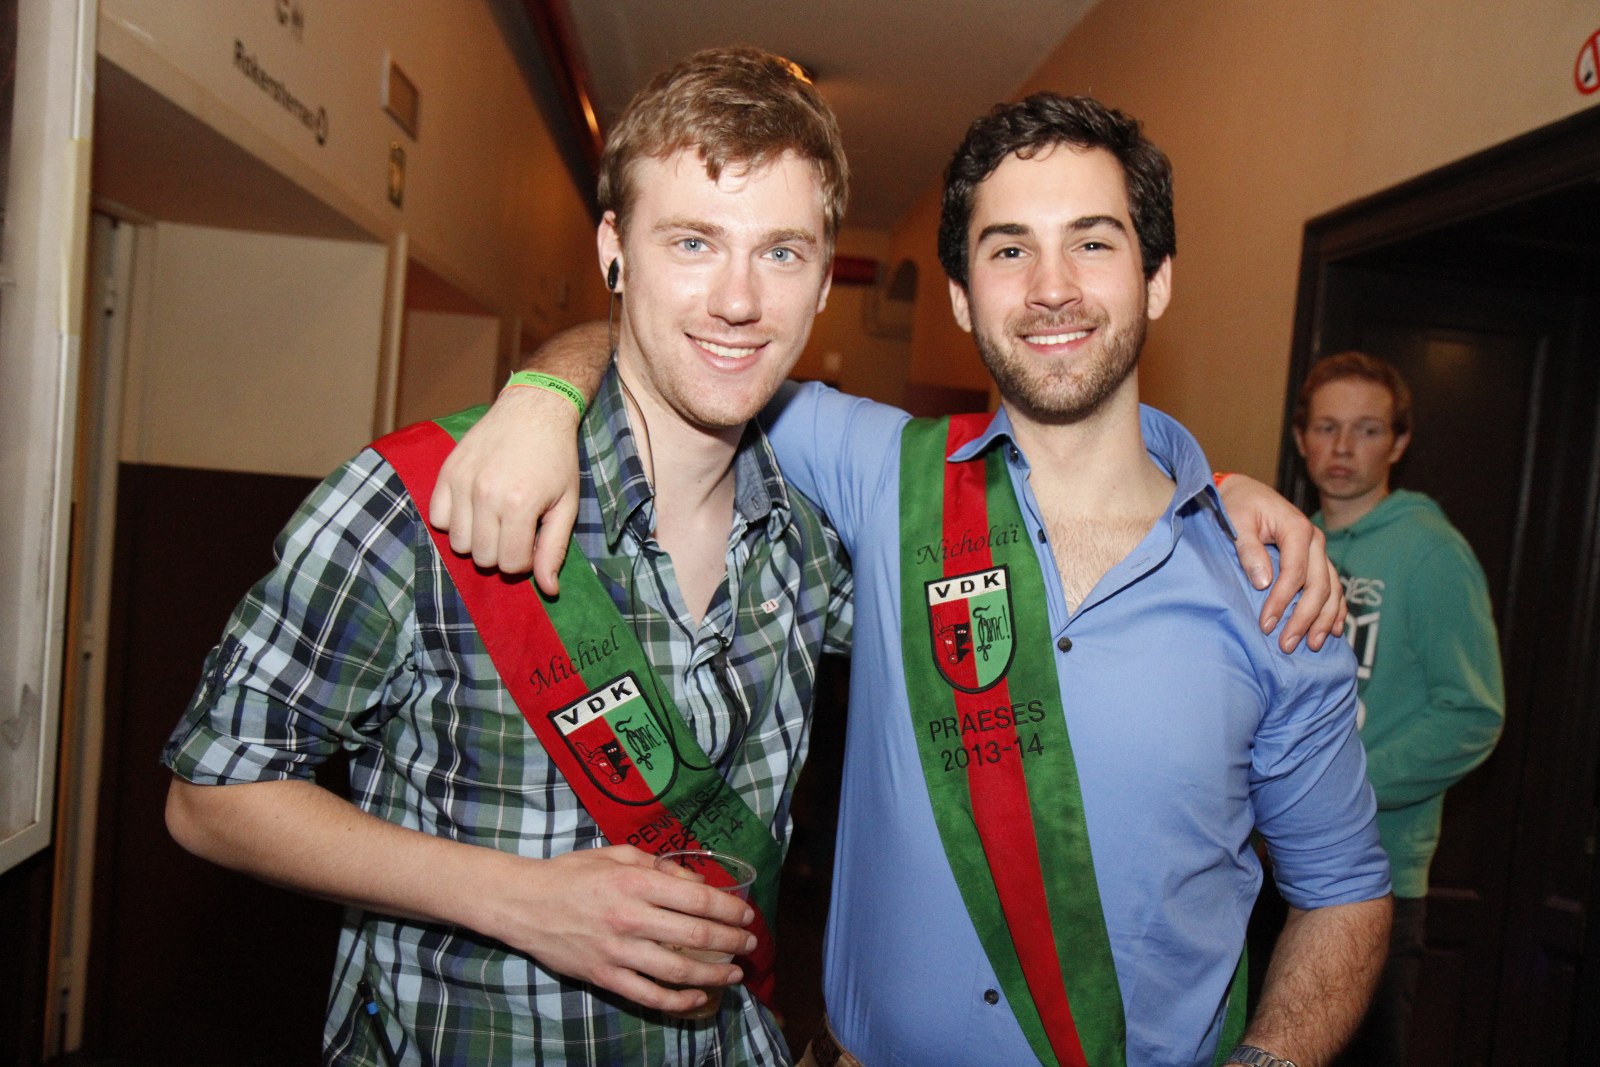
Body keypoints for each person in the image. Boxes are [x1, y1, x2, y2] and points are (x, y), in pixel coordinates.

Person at [433, 94, 1390, 1066]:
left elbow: (1345, 890)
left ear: (1157, 279)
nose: (1052, 287)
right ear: (963, 298)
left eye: (1093, 243)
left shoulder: (1269, 583)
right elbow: (686, 345)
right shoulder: (886, 474)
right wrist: (540, 396)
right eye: (1009, 249)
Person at [163, 47, 858, 1066]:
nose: (739, 299)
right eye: (693, 242)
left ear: (826, 280)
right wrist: (520, 900)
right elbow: (211, 795)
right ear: (615, 250)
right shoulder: (420, 500)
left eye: (783, 253)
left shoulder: (820, 537)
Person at [1292, 351, 1504, 1066]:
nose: (1343, 447)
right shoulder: (1289, 543)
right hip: (1273, 869)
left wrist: (1344, 788)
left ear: (1399, 442)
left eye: (1368, 429)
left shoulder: (1432, 552)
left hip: (1373, 876)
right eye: (1327, 426)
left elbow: (1471, 714)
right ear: (1301, 437)